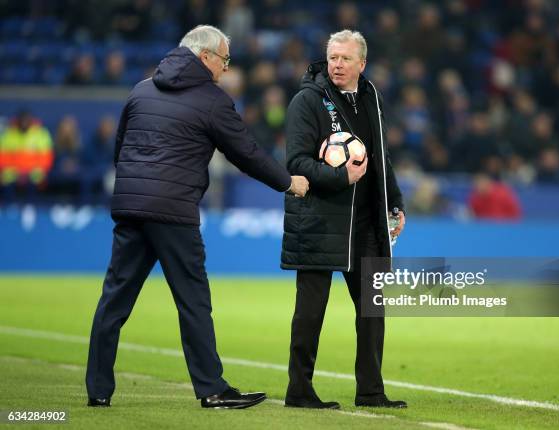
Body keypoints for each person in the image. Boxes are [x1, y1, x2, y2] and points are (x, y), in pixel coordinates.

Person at [85, 25, 309, 410]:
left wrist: (134, 187)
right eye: (223, 59)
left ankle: (98, 391)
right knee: (193, 301)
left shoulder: (141, 88)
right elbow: (248, 154)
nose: (225, 68)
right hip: (173, 212)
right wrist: (288, 182)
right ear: (204, 57)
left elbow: (121, 146)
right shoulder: (211, 100)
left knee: (114, 300)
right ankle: (212, 389)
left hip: (131, 206)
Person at [281, 30, 406, 409]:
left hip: (367, 222)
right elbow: (296, 163)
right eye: (333, 57)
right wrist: (341, 177)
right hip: (322, 219)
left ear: (361, 64)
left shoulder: (372, 99)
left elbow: (380, 157)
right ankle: (299, 391)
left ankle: (370, 391)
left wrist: (395, 202)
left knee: (372, 309)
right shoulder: (307, 100)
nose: (337, 64)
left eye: (345, 59)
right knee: (310, 311)